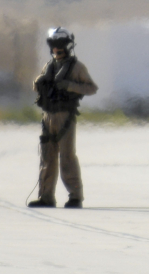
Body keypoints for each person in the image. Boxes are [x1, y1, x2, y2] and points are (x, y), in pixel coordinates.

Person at [28, 27, 99, 209]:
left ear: (67, 46)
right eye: (53, 47)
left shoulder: (77, 67)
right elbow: (38, 85)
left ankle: (75, 197)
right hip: (48, 117)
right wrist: (38, 83)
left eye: (59, 47)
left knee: (67, 157)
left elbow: (91, 88)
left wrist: (69, 86)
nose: (56, 51)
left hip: (65, 117)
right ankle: (46, 197)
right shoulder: (49, 66)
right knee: (47, 158)